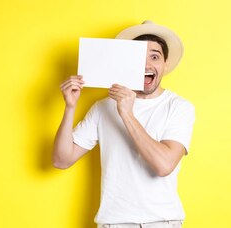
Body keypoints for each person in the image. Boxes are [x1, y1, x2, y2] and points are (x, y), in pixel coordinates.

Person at [53, 20, 195, 228]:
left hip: (162, 222)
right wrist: (70, 107)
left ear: (165, 64)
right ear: (127, 62)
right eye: (139, 58)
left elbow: (164, 166)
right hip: (114, 223)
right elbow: (61, 160)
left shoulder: (179, 107)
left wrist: (127, 114)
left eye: (154, 56)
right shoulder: (103, 107)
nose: (147, 65)